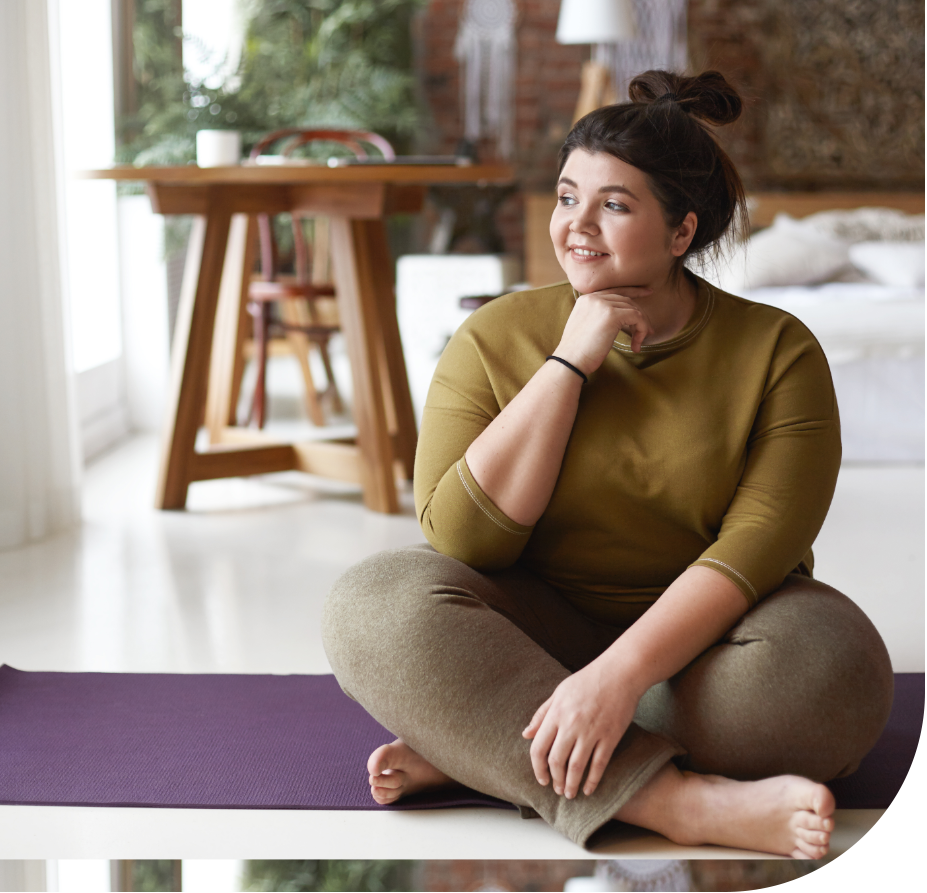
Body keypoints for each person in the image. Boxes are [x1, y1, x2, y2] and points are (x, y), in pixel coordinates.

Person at [322, 70, 893, 859]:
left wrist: (616, 679)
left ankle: (493, 748)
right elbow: (463, 541)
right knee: (371, 603)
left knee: (833, 674)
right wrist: (566, 364)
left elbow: (751, 553)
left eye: (613, 205)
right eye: (565, 197)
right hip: (534, 624)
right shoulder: (493, 337)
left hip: (707, 646)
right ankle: (675, 801)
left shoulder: (777, 351)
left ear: (680, 232)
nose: (576, 226)